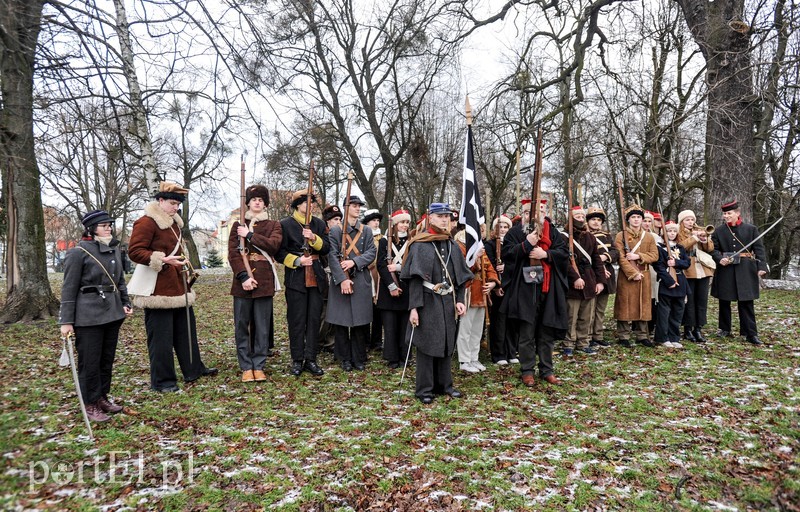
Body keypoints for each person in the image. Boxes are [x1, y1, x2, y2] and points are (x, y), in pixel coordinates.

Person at [128, 182, 218, 392]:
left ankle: (193, 369)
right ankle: (163, 381)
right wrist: (163, 259)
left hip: (179, 286)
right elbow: (134, 251)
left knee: (186, 332)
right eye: (171, 203)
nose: (175, 207)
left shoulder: (174, 224)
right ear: (160, 200)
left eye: (178, 204)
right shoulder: (147, 222)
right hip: (157, 289)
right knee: (161, 340)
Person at [59, 210, 133, 421]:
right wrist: (66, 321)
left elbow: (119, 281)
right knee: (89, 362)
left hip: (112, 313)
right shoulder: (78, 252)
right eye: (103, 225)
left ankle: (101, 397)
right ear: (91, 229)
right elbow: (68, 288)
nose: (108, 227)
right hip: (87, 316)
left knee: (105, 359)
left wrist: (125, 302)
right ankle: (90, 403)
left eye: (109, 224)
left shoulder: (114, 250)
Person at [401, 203, 472, 404]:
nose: (444, 220)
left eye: (447, 217)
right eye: (440, 216)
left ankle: (445, 386)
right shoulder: (419, 244)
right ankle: (424, 390)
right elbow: (414, 280)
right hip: (427, 301)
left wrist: (459, 300)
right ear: (430, 218)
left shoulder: (452, 245)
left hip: (447, 301)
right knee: (427, 345)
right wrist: (414, 308)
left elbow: (460, 278)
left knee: (446, 343)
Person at [501, 199, 569, 387]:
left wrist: (546, 255)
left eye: (539, 211)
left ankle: (547, 370)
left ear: (545, 212)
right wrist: (527, 245)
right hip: (524, 291)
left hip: (548, 290)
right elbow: (506, 255)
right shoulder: (515, 233)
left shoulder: (554, 233)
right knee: (527, 333)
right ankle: (527, 371)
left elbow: (564, 254)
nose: (533, 215)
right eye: (528, 212)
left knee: (546, 332)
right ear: (522, 214)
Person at [228, 185, 283, 382]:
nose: (257, 202)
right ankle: (245, 366)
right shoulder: (237, 225)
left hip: (264, 280)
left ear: (265, 203)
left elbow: (274, 245)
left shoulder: (274, 225)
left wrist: (250, 235)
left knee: (262, 326)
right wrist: (243, 277)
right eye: (254, 199)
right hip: (242, 283)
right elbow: (233, 254)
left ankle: (259, 365)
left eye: (261, 199)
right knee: (242, 325)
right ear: (248, 202)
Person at [276, 189, 330, 376]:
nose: (311, 205)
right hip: (296, 278)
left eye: (313, 202)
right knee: (297, 320)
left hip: (316, 277)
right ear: (298, 205)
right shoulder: (285, 225)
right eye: (307, 202)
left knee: (314, 320)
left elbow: (327, 248)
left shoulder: (319, 224)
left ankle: (311, 359)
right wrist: (298, 261)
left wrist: (314, 238)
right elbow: (280, 253)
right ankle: (297, 360)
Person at [326, 196, 376, 371]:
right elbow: (332, 256)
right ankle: (344, 358)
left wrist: (354, 262)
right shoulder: (336, 231)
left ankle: (358, 357)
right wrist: (342, 279)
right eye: (354, 206)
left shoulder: (367, 231)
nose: (357, 208)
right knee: (341, 322)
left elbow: (372, 252)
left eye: (359, 206)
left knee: (360, 322)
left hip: (360, 278)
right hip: (341, 279)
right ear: (346, 208)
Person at [710, 200, 768, 345]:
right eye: (724, 214)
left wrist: (761, 266)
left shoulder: (751, 229)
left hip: (745, 269)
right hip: (726, 269)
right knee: (724, 300)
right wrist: (719, 259)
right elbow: (713, 249)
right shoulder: (719, 231)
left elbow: (759, 249)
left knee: (746, 301)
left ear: (737, 213)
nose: (726, 216)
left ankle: (750, 332)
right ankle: (724, 328)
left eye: (729, 213)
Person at [562, 206, 607, 356]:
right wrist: (575, 278)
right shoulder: (562, 236)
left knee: (586, 316)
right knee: (571, 316)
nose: (581, 219)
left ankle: (583, 343)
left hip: (589, 279)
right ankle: (568, 343)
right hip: (571, 281)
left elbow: (596, 261)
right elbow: (564, 261)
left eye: (582, 216)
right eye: (577, 216)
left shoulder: (590, 237)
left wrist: (600, 282)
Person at [613, 204, 659, 347]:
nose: (636, 220)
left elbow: (654, 255)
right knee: (624, 304)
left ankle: (642, 335)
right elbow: (620, 257)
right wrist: (632, 273)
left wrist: (637, 256)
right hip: (627, 275)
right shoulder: (621, 235)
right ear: (628, 219)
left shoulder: (649, 236)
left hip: (644, 273)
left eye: (639, 217)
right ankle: (623, 335)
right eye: (633, 217)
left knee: (643, 305)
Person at [454, 228, 499, 373]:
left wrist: (492, 283)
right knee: (465, 330)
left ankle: (474, 357)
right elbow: (462, 270)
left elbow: (490, 268)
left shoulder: (480, 248)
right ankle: (464, 360)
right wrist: (474, 259)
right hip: (468, 293)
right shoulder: (458, 247)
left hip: (482, 294)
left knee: (477, 330)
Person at [376, 208, 412, 369]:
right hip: (388, 289)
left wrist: (398, 268)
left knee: (405, 326)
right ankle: (392, 358)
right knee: (390, 326)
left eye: (407, 222)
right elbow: (381, 265)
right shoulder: (385, 241)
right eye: (402, 222)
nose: (405, 225)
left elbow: (413, 265)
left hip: (406, 287)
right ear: (395, 224)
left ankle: (405, 356)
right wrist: (391, 285)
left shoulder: (412, 242)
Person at [677, 209, 715, 343]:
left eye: (692, 219)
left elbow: (710, 249)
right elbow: (680, 247)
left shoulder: (699, 230)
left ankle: (698, 328)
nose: (690, 222)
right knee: (690, 301)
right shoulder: (678, 232)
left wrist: (705, 239)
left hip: (703, 269)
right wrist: (694, 238)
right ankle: (688, 328)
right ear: (682, 221)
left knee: (702, 300)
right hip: (688, 269)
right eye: (687, 220)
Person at [484, 213, 515, 365]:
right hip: (498, 287)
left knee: (511, 321)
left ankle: (511, 351)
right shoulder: (489, 245)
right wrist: (497, 285)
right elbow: (489, 265)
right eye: (500, 227)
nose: (503, 230)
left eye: (506, 227)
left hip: (512, 287)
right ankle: (498, 354)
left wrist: (507, 267)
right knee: (499, 321)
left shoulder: (513, 244)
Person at [652, 221, 690, 348]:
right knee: (664, 312)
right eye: (669, 231)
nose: (672, 233)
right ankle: (662, 337)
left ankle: (674, 337)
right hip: (667, 282)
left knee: (677, 311)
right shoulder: (659, 248)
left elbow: (687, 263)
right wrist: (669, 281)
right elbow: (658, 266)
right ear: (664, 233)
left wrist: (676, 263)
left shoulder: (680, 248)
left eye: (674, 231)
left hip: (680, 281)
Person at [586, 207, 618, 348]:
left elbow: (616, 252)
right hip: (592, 275)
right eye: (593, 219)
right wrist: (599, 266)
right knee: (589, 310)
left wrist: (606, 256)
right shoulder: (584, 235)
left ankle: (598, 335)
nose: (596, 222)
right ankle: (586, 336)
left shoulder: (607, 236)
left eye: (599, 220)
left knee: (600, 309)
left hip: (607, 275)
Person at [318, 205, 343, 355]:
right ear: (327, 222)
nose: (338, 222)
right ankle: (319, 341)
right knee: (324, 313)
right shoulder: (323, 237)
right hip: (325, 278)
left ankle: (331, 341)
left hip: (339, 278)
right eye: (335, 219)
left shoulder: (342, 235)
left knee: (336, 312)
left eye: (339, 219)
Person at [362, 208, 384, 353]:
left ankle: (376, 340)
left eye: (377, 221)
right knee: (365, 308)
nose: (376, 223)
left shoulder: (383, 238)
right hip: (366, 272)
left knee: (378, 309)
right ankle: (364, 341)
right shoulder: (362, 236)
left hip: (379, 274)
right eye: (373, 221)